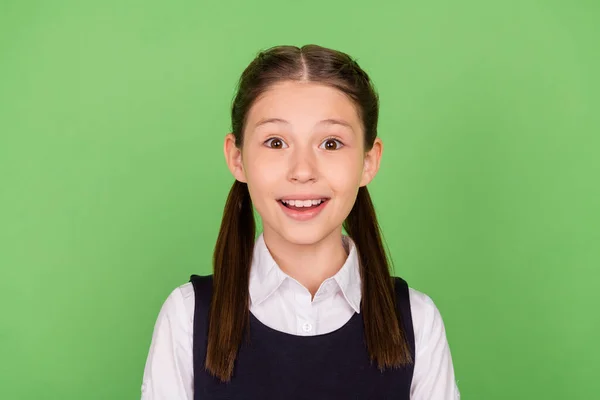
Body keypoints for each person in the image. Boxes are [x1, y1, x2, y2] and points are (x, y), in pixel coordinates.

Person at [141, 44, 460, 399]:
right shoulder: (187, 316)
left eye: (331, 143)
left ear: (369, 161)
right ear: (237, 157)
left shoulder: (417, 320)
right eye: (276, 142)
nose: (303, 171)